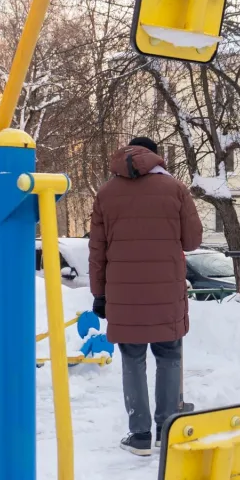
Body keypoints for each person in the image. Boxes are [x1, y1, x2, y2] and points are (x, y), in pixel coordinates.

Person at [87, 137, 202, 455]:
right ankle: (167, 427)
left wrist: (99, 294)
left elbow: (97, 251)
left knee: (133, 360)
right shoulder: (176, 189)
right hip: (166, 291)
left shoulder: (106, 194)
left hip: (123, 296)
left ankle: (139, 434)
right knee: (169, 356)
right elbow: (192, 241)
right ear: (155, 157)